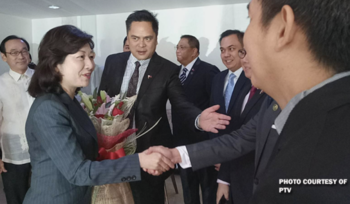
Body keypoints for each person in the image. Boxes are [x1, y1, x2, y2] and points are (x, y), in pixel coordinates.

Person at [150, 0, 350, 202]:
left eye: (251, 19)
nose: (240, 55)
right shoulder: (273, 104)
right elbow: (238, 140)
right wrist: (176, 155)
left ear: (283, 27)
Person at [24, 25, 174, 204]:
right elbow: (79, 172)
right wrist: (139, 161)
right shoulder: (48, 109)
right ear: (55, 64)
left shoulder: (69, 101)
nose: (90, 65)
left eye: (91, 56)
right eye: (81, 57)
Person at [99, 10, 230, 204]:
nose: (141, 44)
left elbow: (181, 104)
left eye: (147, 38)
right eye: (135, 38)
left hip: (151, 153)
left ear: (156, 39)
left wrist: (198, 118)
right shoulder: (113, 62)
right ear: (128, 37)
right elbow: (102, 102)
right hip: (115, 153)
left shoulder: (168, 69)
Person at [172, 34, 220, 204]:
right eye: (177, 47)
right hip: (182, 142)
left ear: (194, 51)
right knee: (187, 186)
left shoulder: (209, 70)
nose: (178, 50)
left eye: (182, 47)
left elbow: (217, 104)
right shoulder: (175, 73)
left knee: (208, 186)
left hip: (203, 142)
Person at [216, 49, 266, 204]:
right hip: (236, 179)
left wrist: (179, 154)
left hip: (259, 185)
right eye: (243, 54)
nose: (243, 60)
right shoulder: (246, 90)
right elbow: (235, 136)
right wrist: (224, 179)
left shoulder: (277, 96)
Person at [0, 35, 33, 204]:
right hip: (12, 152)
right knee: (16, 197)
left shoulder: (42, 79)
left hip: (43, 149)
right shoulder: (1, 84)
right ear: (4, 56)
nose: (20, 56)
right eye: (14, 52)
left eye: (24, 51)